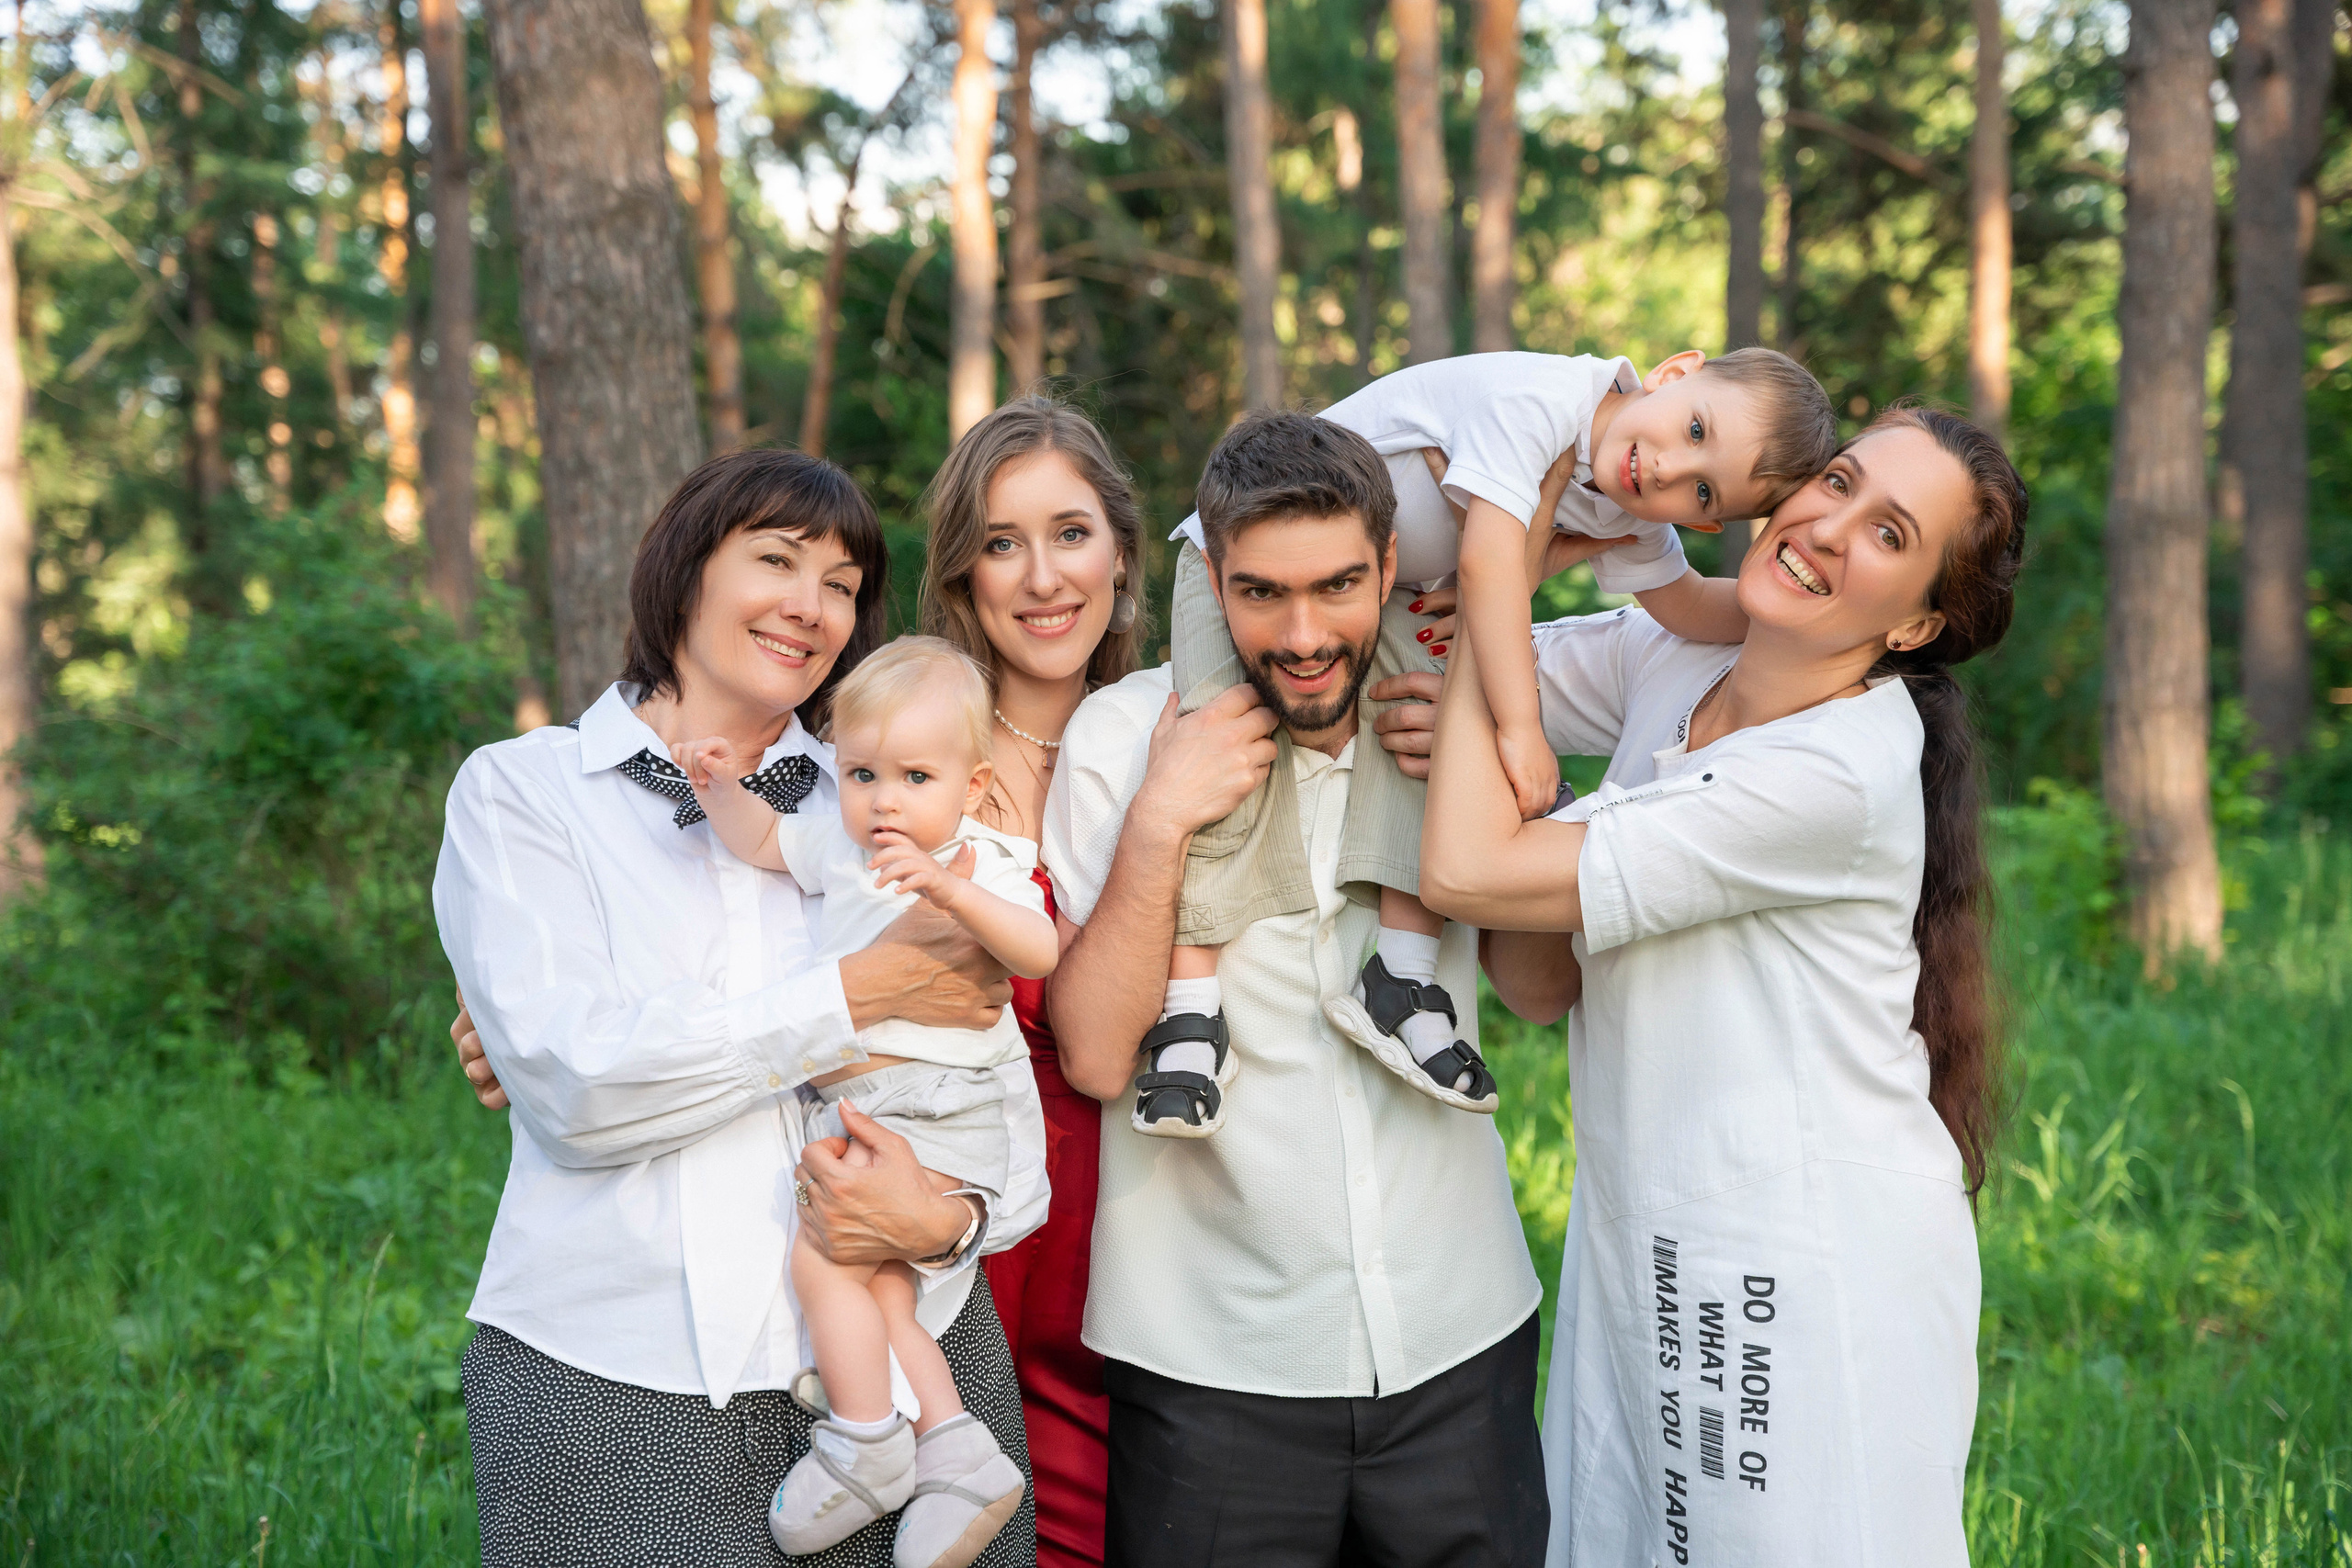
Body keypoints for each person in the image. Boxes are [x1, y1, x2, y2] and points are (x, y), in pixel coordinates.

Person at [1420, 405, 2026, 1567]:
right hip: (1647, 1230)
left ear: (1915, 624)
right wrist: (1489, 650)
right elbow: (1533, 977)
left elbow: (1465, 865)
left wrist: (1501, 590)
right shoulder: (1678, 657)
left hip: (1795, 1264)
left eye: (1888, 533)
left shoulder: (1833, 774)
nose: (1827, 526)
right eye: (1838, 481)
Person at [433, 447, 1047, 1567]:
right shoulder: (522, 794)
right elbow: (577, 1087)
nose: (810, 605)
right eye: (776, 560)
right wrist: (855, 993)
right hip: (615, 1380)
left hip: (919, 1367)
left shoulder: (903, 801)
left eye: (841, 584)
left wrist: (951, 1223)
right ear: (684, 568)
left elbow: (985, 1065)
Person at [1047, 409, 1551, 1566]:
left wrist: (1501, 789)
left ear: (1389, 564)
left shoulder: (1451, 712)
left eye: (1337, 587)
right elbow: (1096, 1056)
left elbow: (1538, 990)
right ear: (1212, 582)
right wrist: (1161, 820)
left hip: (1458, 1334)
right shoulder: (1125, 738)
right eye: (1262, 594)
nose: (1306, 634)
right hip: (1210, 1362)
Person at [1137, 349, 1841, 1136]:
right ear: (1675, 373)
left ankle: (1400, 976)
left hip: (1386, 592)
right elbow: (1489, 561)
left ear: (1707, 521)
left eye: (1703, 490)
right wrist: (1520, 726)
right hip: (1242, 560)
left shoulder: (1633, 508)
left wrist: (1818, 608)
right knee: (1219, 747)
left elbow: (1689, 606)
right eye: (1696, 428)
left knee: (1427, 739)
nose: (1670, 468)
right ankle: (1189, 1005)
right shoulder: (1545, 400)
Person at [680, 636, 1053, 1566]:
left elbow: (1038, 949)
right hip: (870, 1108)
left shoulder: (980, 857)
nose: (885, 800)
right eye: (862, 774)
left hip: (941, 1104)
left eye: (916, 777)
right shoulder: (840, 847)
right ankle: (953, 1448)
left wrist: (953, 891)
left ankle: (864, 1440)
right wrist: (719, 788)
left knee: (823, 1257)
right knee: (879, 1287)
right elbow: (763, 840)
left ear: (971, 787)